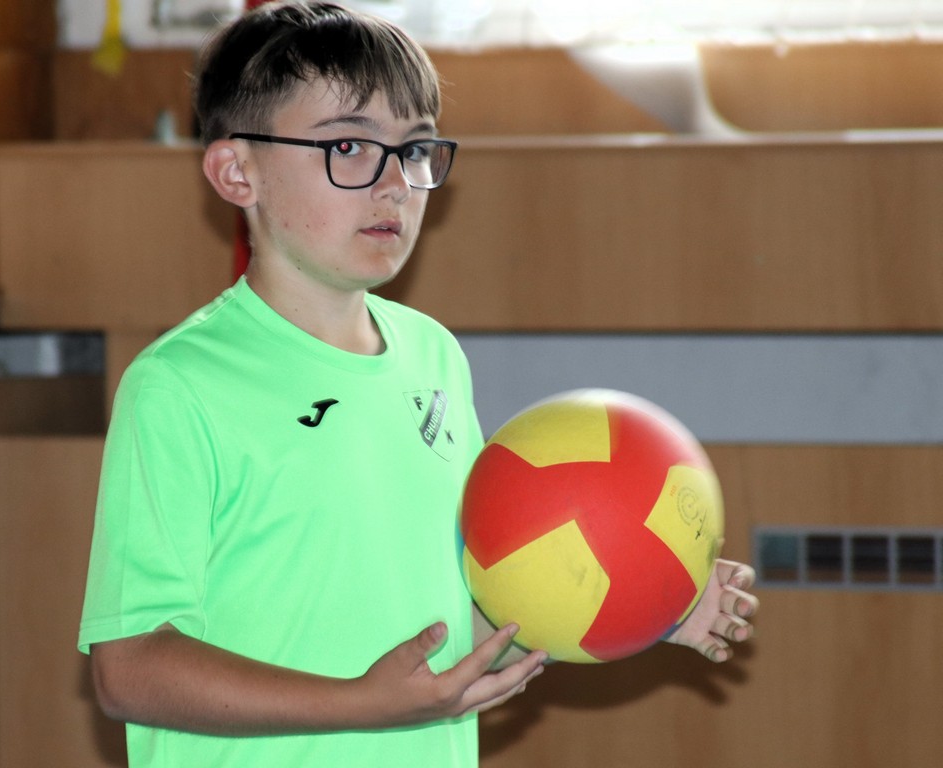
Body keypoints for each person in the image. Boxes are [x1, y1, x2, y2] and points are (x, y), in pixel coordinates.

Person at [77, 3, 759, 766]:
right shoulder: (179, 386)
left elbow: (458, 638)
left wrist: (640, 595)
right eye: (348, 146)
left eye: (414, 149)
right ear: (238, 172)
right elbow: (128, 668)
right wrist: (359, 705)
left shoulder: (433, 357)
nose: (396, 183)